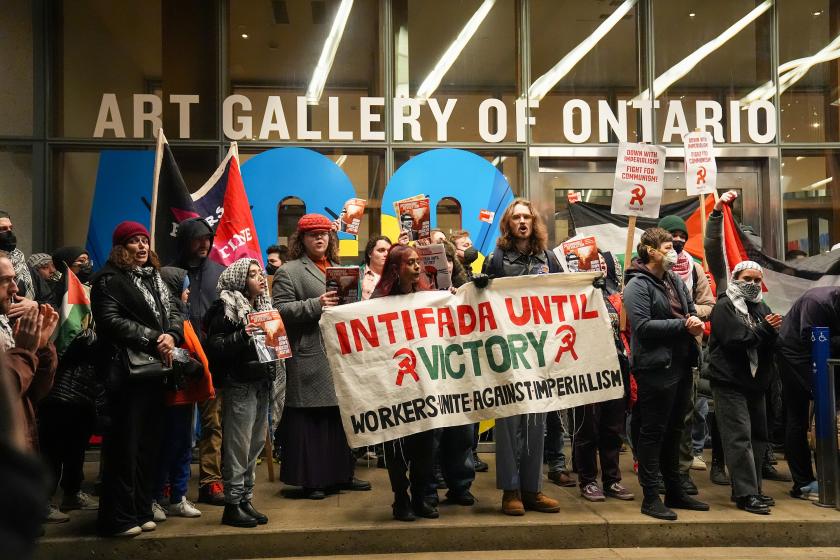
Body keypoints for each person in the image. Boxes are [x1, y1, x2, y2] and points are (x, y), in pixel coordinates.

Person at [91, 221, 183, 537]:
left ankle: (141, 509)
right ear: (121, 248)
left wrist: (171, 335)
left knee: (148, 446)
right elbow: (109, 321)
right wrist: (154, 337)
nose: (142, 246)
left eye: (145, 240)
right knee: (124, 447)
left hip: (154, 374)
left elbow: (174, 312)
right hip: (125, 376)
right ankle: (118, 516)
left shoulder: (155, 278)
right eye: (134, 241)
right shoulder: (107, 279)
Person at [272, 214, 370, 499]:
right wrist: (316, 304)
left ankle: (341, 475)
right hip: (309, 352)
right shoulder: (289, 271)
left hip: (339, 353)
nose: (320, 238)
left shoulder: (343, 269)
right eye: (313, 234)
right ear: (301, 240)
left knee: (339, 418)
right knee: (311, 420)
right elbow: (281, 311)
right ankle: (312, 479)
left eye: (324, 234)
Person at [479, 198, 561, 516]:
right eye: (517, 218)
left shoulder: (548, 257)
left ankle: (532, 490)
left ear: (534, 222)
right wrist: (481, 286)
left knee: (536, 423)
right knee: (508, 422)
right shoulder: (496, 258)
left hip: (538, 351)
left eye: (527, 217)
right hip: (506, 353)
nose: (523, 222)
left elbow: (562, 297)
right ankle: (510, 491)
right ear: (508, 224)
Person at [624, 227, 709, 520]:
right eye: (668, 247)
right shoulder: (637, 285)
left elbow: (686, 312)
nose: (674, 251)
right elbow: (643, 327)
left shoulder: (674, 280)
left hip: (682, 363)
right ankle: (650, 496)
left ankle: (675, 489)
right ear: (651, 251)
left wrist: (692, 320)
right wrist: (684, 326)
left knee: (676, 430)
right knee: (653, 431)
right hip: (655, 368)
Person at [368, 244, 439, 521]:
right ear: (396, 269)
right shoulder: (377, 300)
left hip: (423, 384)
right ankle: (401, 498)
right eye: (410, 263)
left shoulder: (427, 296)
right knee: (396, 447)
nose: (417, 267)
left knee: (425, 445)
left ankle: (421, 496)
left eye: (418, 262)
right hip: (392, 385)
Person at [205, 258, 275, 527]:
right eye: (252, 275)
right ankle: (232, 505)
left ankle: (246, 499)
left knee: (255, 445)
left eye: (260, 274)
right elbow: (216, 347)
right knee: (238, 446)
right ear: (238, 280)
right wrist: (244, 334)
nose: (259, 278)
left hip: (261, 382)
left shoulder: (263, 305)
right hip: (240, 383)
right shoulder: (225, 306)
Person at [706, 260, 780, 514]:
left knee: (758, 437)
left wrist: (768, 332)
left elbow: (769, 341)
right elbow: (737, 340)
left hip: (756, 383)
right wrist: (766, 330)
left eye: (757, 280)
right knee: (739, 438)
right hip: (729, 381)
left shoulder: (761, 306)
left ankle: (752, 489)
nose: (752, 284)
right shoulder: (725, 306)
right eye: (747, 278)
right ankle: (746, 495)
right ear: (736, 277)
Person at [657, 215, 715, 494]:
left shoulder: (694, 268)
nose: (678, 240)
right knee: (655, 414)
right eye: (672, 235)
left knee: (686, 412)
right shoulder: (645, 272)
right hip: (657, 351)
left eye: (682, 235)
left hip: (688, 349)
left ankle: (680, 471)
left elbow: (708, 304)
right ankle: (654, 470)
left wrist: (690, 314)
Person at [171, 217, 226, 506]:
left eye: (208, 238)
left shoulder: (220, 272)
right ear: (184, 240)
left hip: (210, 361)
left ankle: (210, 482)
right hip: (175, 360)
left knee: (212, 424)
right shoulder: (168, 272)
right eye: (197, 238)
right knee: (174, 426)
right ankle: (170, 483)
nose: (204, 243)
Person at [573, 251, 634, 502]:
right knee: (587, 428)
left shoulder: (615, 297)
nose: (596, 266)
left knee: (612, 427)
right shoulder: (572, 297)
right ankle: (588, 480)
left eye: (600, 262)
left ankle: (612, 479)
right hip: (586, 368)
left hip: (615, 364)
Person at [424, 241, 476, 508]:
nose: (441, 264)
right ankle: (429, 488)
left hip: (459, 372)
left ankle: (460, 485)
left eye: (445, 258)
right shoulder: (415, 291)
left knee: (462, 433)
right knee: (431, 436)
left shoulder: (465, 290)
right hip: (430, 373)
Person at [776, 286, 840, 499]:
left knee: (831, 413)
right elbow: (811, 339)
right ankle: (803, 482)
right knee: (798, 415)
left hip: (828, 354)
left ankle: (831, 475)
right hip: (796, 354)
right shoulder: (817, 301)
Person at [150, 267, 203, 523]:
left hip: (186, 391)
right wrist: (188, 362)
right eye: (184, 285)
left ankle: (178, 497)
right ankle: (154, 498)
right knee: (164, 447)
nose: (188, 291)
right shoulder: (163, 314)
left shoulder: (184, 313)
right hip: (169, 391)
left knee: (183, 446)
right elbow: (166, 347)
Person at [0, 211, 35, 300]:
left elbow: (48, 299)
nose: (9, 232)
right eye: (3, 229)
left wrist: (35, 304)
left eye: (11, 228)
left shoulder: (24, 266)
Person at [361, 235, 391, 301]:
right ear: (370, 254)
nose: (386, 254)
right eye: (381, 250)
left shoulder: (395, 276)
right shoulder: (357, 274)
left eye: (389, 251)